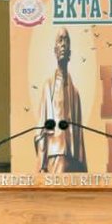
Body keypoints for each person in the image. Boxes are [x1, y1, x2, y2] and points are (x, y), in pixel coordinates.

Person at [35, 28, 87, 172]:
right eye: (60, 40)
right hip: (54, 152)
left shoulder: (75, 93)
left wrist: (81, 166)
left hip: (73, 157)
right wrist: (42, 163)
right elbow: (41, 129)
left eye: (66, 40)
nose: (63, 44)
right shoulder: (48, 86)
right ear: (55, 50)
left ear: (70, 51)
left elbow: (79, 134)